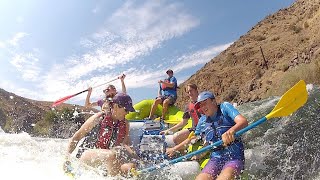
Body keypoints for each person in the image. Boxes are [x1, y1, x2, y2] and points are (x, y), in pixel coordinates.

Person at [63, 93, 138, 176]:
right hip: (87, 155)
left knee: (130, 167)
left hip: (108, 158)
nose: (127, 113)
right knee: (111, 155)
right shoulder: (99, 118)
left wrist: (137, 158)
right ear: (116, 106)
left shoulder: (125, 123)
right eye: (126, 110)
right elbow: (76, 137)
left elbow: (126, 144)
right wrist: (67, 159)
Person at [190, 91, 248, 180]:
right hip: (215, 158)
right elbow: (197, 137)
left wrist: (231, 131)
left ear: (213, 101)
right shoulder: (202, 120)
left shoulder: (224, 107)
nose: (203, 107)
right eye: (200, 105)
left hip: (234, 156)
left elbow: (243, 122)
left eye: (205, 103)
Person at [159, 83, 202, 157]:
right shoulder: (189, 106)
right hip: (194, 129)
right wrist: (168, 130)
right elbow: (183, 122)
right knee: (176, 137)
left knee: (192, 138)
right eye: (188, 92)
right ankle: (184, 155)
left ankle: (175, 150)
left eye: (191, 91)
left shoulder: (203, 102)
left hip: (204, 129)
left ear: (196, 90)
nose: (189, 93)